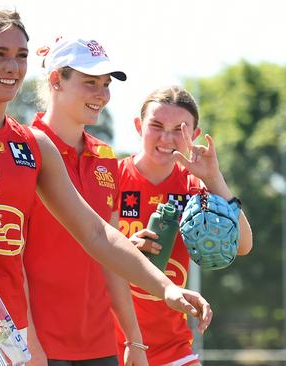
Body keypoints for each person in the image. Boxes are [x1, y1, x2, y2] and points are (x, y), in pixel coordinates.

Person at [0, 9, 212, 366]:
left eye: (21, 56)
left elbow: (97, 234)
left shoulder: (33, 145)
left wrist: (165, 289)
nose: (12, 67)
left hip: (11, 335)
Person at [22, 37, 147, 366]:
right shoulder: (21, 151)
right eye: (89, 83)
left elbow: (111, 254)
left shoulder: (106, 158)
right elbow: (10, 257)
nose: (102, 95)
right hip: (40, 348)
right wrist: (28, 340)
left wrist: (134, 338)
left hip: (100, 345)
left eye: (106, 85)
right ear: (55, 81)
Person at [115, 85, 253, 366]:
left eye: (179, 129)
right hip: (111, 344)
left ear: (195, 135)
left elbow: (243, 245)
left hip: (173, 348)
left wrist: (214, 179)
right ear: (139, 126)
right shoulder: (112, 177)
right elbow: (86, 248)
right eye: (156, 126)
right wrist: (124, 250)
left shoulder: (194, 188)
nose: (167, 137)